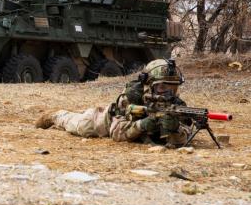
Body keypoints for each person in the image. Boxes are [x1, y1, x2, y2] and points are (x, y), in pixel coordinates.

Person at [35, 59, 190, 148]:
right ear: (149, 85)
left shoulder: (177, 106)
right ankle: (57, 116)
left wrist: (174, 128)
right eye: (162, 87)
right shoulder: (132, 96)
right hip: (106, 121)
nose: (168, 92)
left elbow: (186, 136)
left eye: (173, 87)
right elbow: (117, 132)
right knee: (79, 126)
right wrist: (142, 125)